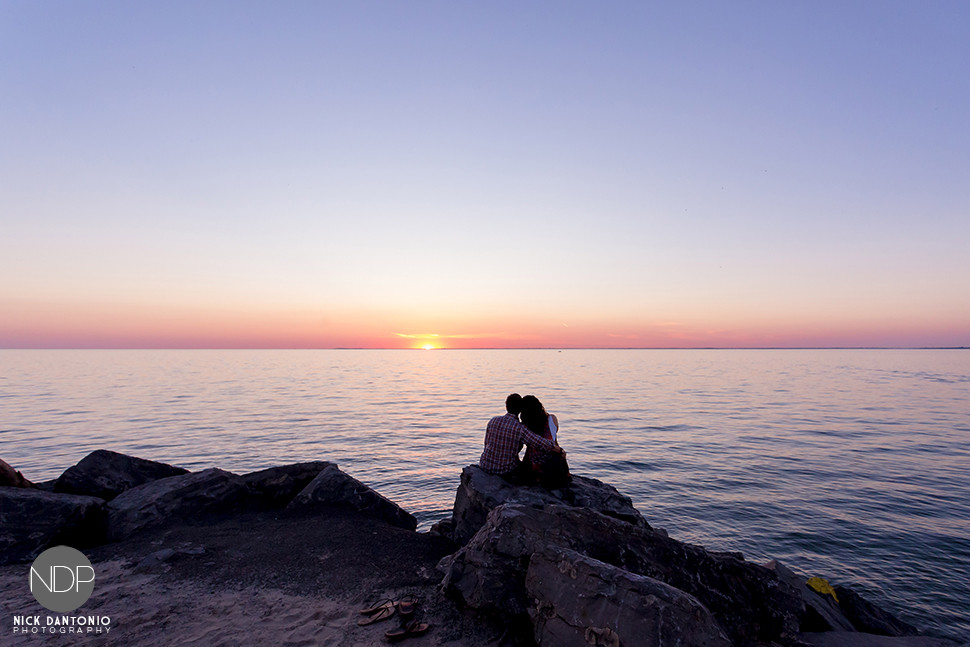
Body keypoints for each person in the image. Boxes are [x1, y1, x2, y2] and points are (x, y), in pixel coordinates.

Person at [480, 393, 564, 482]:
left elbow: (486, 443)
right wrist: (560, 450)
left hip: (485, 465)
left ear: (506, 406)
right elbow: (543, 443)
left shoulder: (493, 421)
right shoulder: (520, 428)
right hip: (505, 470)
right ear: (520, 410)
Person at [520, 394, 571, 488]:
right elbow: (554, 440)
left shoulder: (525, 425)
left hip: (534, 465)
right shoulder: (552, 419)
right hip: (552, 462)